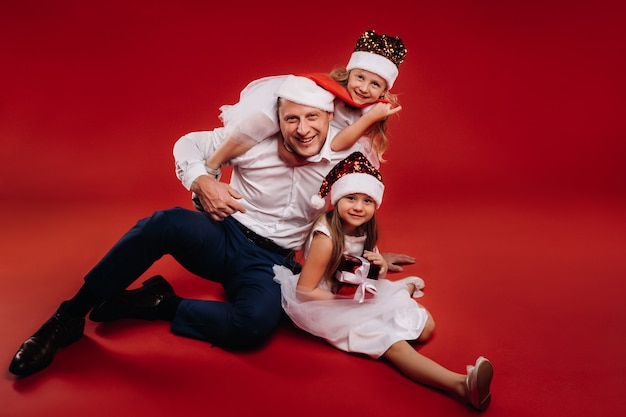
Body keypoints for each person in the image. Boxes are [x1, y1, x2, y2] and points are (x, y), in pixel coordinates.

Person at [8, 75, 364, 378]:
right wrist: (203, 181)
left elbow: (358, 209)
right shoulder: (250, 142)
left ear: (328, 116)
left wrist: (366, 254)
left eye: (313, 117)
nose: (303, 129)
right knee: (165, 222)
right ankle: (67, 318)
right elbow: (188, 144)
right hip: (224, 234)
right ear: (278, 119)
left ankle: (157, 302)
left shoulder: (343, 161)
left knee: (253, 326)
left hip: (272, 264)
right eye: (292, 119)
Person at [273, 152, 494, 412]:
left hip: (358, 292)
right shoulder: (327, 237)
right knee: (394, 344)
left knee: (425, 329)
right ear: (336, 199)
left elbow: (365, 271)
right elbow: (305, 290)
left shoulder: (363, 228)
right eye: (351, 198)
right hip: (328, 301)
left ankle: (406, 288)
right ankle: (461, 385)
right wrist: (345, 300)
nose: (358, 207)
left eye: (367, 201)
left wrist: (379, 268)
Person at [194, 29, 415, 271]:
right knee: (252, 129)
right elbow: (330, 141)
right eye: (360, 78)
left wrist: (371, 252)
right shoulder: (327, 93)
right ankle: (212, 166)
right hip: (291, 134)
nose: (364, 88)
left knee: (353, 191)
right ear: (349, 73)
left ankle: (355, 248)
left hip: (319, 155)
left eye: (375, 84)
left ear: (384, 91)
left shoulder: (370, 112)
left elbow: (340, 154)